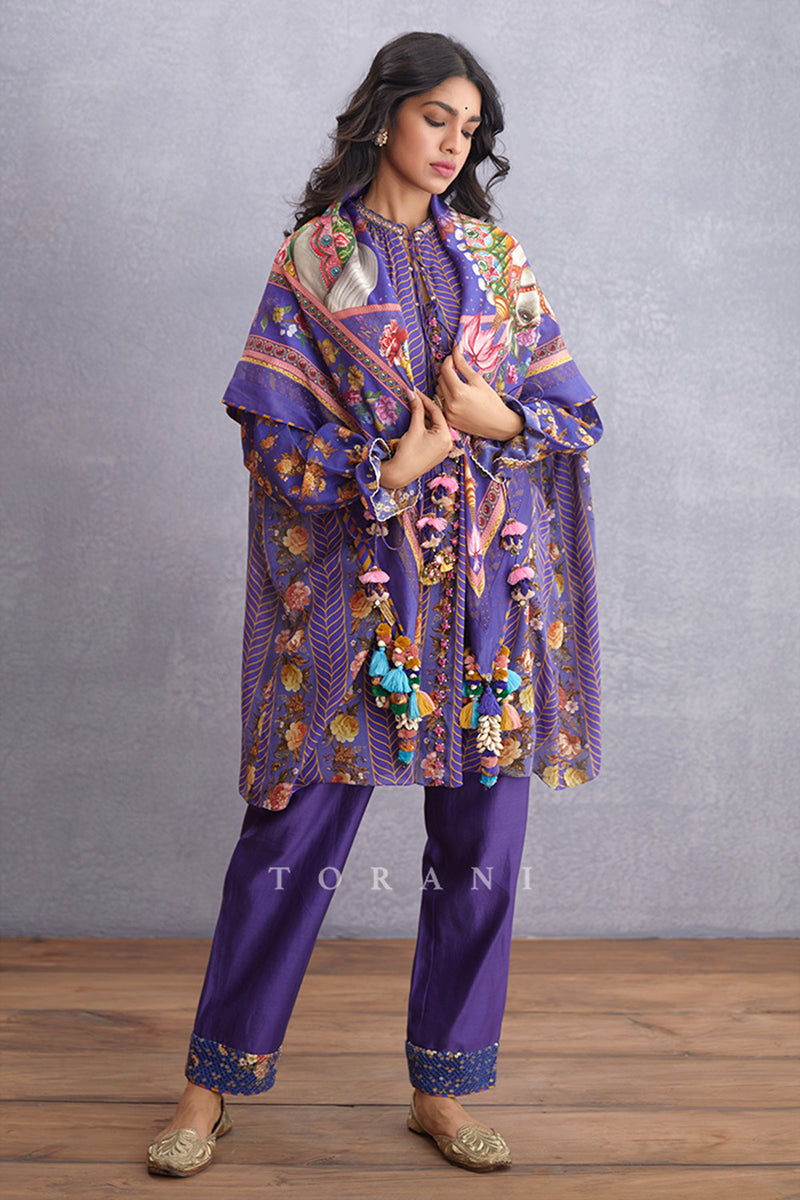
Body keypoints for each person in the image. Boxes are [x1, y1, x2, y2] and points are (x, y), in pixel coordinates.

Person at [146, 30, 602, 1178]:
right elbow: (270, 442)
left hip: (488, 613)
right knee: (286, 844)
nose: (451, 142)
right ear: (385, 113)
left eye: (468, 127)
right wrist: (385, 471)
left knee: (481, 854)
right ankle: (209, 1088)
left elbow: (571, 417)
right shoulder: (316, 261)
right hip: (363, 613)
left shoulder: (494, 260)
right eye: (435, 116)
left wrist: (500, 420)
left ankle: (441, 1091)